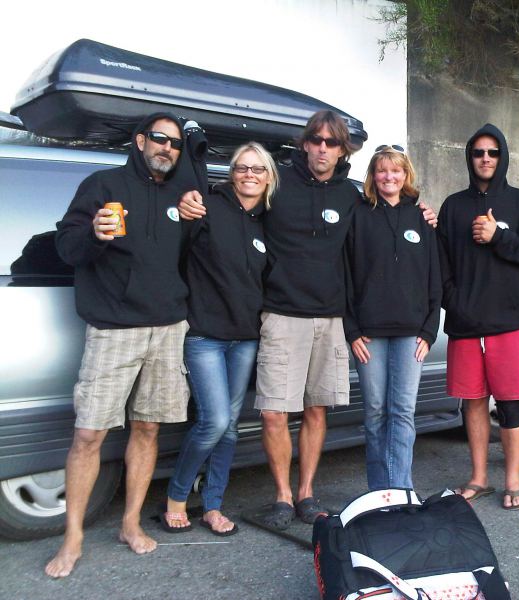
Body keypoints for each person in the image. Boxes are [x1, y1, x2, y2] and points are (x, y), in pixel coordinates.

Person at [178, 111, 437, 530]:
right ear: (305, 143)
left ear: (342, 150)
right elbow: (238, 196)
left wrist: (422, 211)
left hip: (332, 318)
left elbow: (389, 212)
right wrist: (192, 197)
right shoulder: (277, 183)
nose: (321, 148)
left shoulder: (353, 197)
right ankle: (282, 496)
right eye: (315, 140)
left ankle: (306, 494)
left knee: (317, 411)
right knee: (275, 412)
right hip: (281, 315)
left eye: (331, 142)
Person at [46, 113, 194, 577]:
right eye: (158, 139)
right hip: (113, 328)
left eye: (174, 143)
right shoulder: (102, 185)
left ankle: (130, 524)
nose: (166, 148)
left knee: (148, 430)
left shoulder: (182, 196)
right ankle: (72, 537)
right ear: (139, 141)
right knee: (89, 434)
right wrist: (94, 235)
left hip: (168, 329)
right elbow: (66, 247)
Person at [161, 143, 278, 536]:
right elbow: (172, 239)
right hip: (205, 336)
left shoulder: (268, 221)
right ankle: (177, 497)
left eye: (258, 169)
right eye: (242, 168)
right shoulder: (206, 206)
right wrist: (182, 201)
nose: (249, 175)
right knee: (215, 420)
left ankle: (213, 504)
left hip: (245, 338)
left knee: (229, 427)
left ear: (268, 176)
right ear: (231, 173)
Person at [437, 124, 519, 510]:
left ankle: (513, 479)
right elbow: (442, 263)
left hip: (510, 321)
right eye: (478, 153)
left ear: (503, 157)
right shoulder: (453, 206)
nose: (485, 159)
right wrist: (453, 301)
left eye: (493, 153)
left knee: (509, 403)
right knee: (472, 401)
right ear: (469, 158)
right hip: (466, 322)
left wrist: (498, 236)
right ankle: (479, 478)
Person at [345, 145, 441, 490]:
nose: (389, 176)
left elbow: (434, 277)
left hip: (411, 334)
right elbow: (346, 275)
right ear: (373, 175)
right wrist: (352, 329)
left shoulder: (422, 218)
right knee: (374, 413)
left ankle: (401, 490)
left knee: (402, 412)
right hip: (369, 334)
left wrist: (430, 330)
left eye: (396, 170)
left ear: (406, 175)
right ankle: (378, 490)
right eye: (382, 170)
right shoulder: (358, 215)